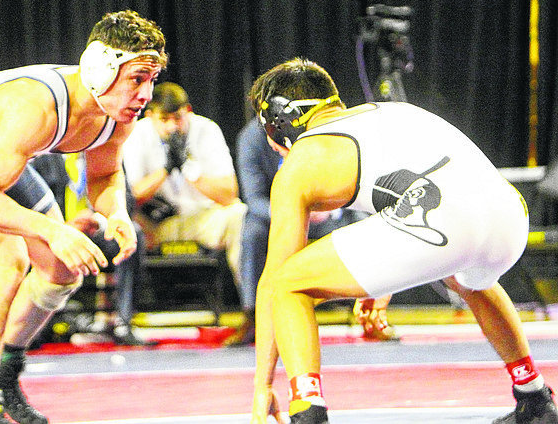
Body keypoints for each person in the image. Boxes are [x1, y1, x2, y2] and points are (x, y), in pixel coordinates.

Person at [247, 57, 557, 424]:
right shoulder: (392, 109)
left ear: (278, 123)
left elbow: (273, 280)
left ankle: (307, 411)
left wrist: (262, 384)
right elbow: (415, 186)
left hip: (445, 221)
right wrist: (376, 285)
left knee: (287, 284)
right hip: (509, 214)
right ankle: (534, 397)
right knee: (469, 279)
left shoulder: (301, 160)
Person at [0, 10, 166, 424]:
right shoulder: (38, 106)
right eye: (137, 78)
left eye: (151, 80)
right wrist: (53, 229)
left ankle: (7, 375)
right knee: (7, 265)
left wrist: (117, 212)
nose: (145, 94)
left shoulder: (116, 113)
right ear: (102, 69)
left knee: (62, 271)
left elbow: (103, 174)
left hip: (3, 153)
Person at [225, 117, 393, 346]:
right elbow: (254, 199)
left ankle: (374, 312)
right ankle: (252, 316)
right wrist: (294, 212)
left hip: (329, 211)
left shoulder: (323, 130)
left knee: (370, 222)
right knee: (251, 229)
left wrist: (330, 206)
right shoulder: (251, 139)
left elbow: (353, 180)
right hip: (280, 216)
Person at [122, 82, 246, 290]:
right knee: (124, 220)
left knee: (240, 213)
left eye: (177, 118)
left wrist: (190, 170)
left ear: (188, 111)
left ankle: (251, 303)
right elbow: (132, 197)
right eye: (164, 119)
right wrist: (165, 170)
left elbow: (230, 194)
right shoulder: (136, 133)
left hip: (201, 219)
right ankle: (124, 314)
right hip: (158, 225)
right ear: (150, 115)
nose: (172, 126)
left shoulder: (207, 129)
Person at [31, 152, 149, 346]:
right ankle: (38, 325)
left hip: (99, 231)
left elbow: (125, 197)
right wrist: (62, 227)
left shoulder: (106, 151)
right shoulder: (41, 158)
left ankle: (122, 323)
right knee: (28, 242)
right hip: (56, 231)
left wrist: (97, 218)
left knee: (131, 234)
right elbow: (29, 205)